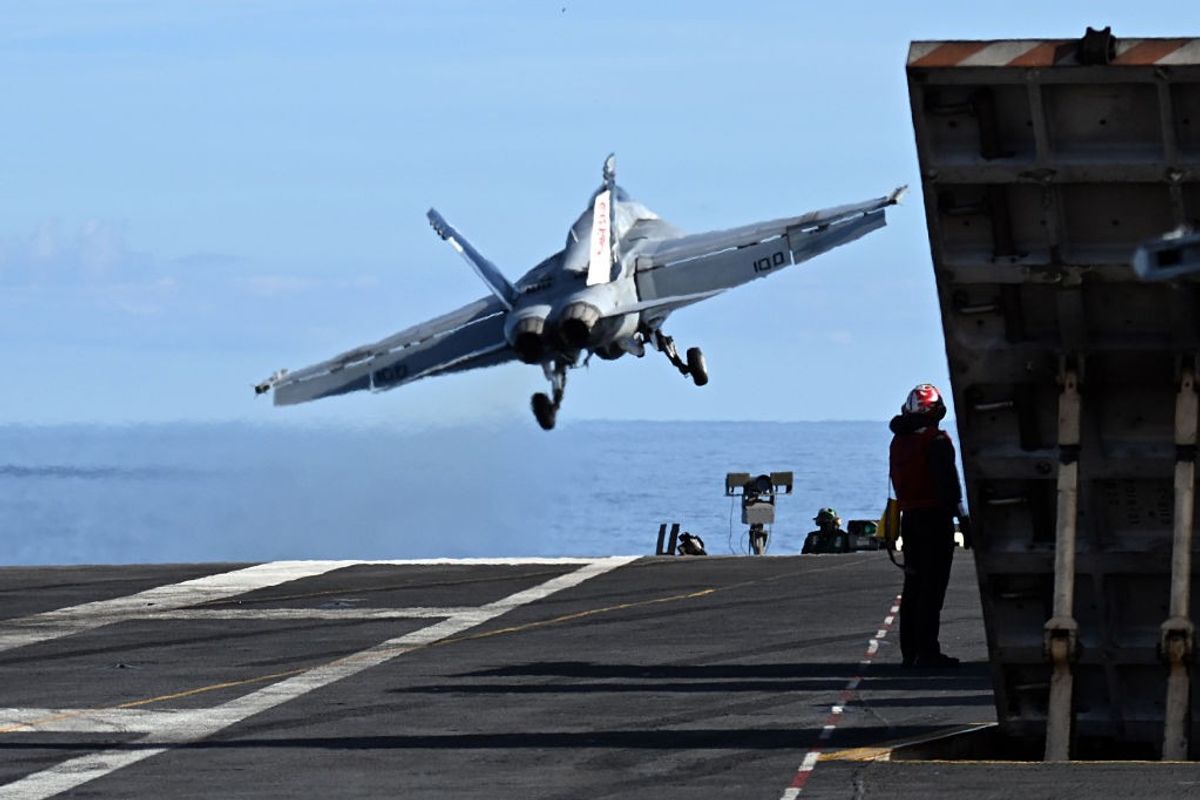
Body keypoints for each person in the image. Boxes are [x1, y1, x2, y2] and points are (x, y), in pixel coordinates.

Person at [889, 383, 967, 668]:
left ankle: (910, 651)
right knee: (932, 589)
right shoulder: (936, 441)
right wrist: (963, 520)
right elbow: (949, 486)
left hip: (910, 520)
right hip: (935, 519)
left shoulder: (899, 441)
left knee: (913, 586)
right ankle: (928, 652)